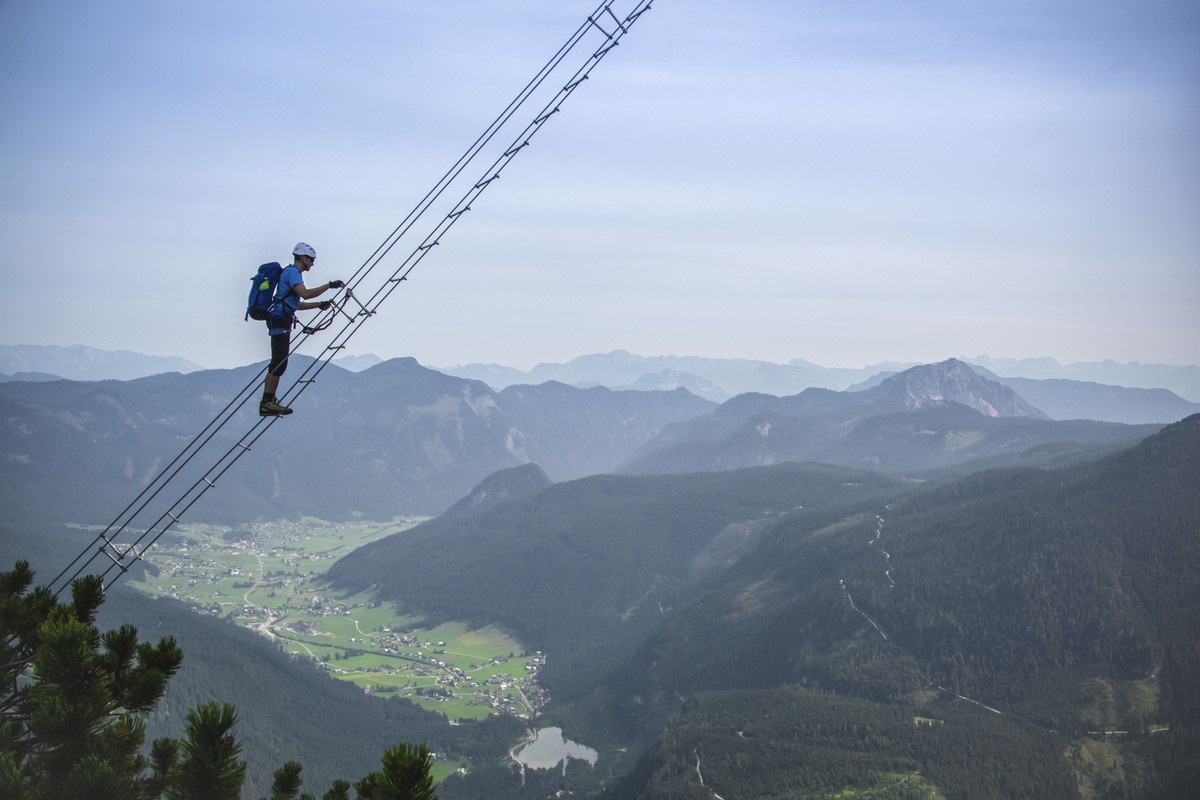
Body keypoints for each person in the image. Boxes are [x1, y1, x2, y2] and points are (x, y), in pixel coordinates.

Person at [260, 242, 344, 416]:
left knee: (278, 361)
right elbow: (304, 294)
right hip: (280, 320)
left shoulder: (291, 274)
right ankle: (267, 402)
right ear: (303, 258)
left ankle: (268, 401)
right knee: (279, 362)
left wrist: (319, 305)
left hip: (280, 319)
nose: (312, 263)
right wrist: (329, 285)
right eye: (311, 260)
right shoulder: (292, 273)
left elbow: (296, 304)